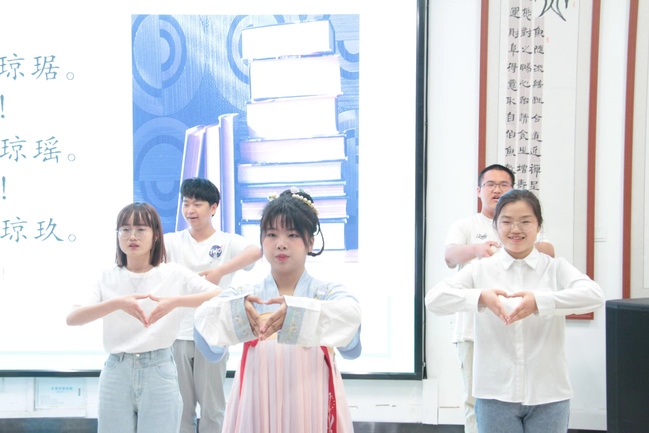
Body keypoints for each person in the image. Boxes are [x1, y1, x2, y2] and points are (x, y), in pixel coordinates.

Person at [427, 189, 604, 433]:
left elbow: (594, 296)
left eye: (525, 222)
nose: (516, 229)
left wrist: (540, 302)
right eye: (507, 222)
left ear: (539, 225)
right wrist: (480, 297)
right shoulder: (480, 269)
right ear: (495, 226)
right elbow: (434, 300)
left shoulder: (555, 268)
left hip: (549, 393)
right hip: (494, 393)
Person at [193, 187, 362, 433]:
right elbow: (207, 337)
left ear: (310, 242)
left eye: (292, 235)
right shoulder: (245, 296)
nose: (281, 244)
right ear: (262, 241)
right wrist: (236, 313)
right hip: (257, 401)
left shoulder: (328, 294)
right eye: (272, 234)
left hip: (311, 400)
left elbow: (351, 336)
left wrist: (298, 314)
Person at [65, 202, 221, 433]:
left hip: (159, 369)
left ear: (156, 234)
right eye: (125, 229)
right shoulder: (106, 277)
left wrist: (174, 302)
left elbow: (218, 294)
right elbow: (73, 318)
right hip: (117, 370)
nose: (132, 236)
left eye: (140, 229)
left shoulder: (172, 272)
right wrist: (118, 303)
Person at [443, 164, 554, 433]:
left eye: (504, 185)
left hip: (519, 326)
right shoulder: (466, 225)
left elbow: (549, 250)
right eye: (490, 184)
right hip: (472, 329)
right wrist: (478, 250)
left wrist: (511, 244)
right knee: (474, 399)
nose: (497, 190)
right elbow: (450, 256)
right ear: (479, 190)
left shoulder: (522, 225)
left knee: (519, 398)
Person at [164, 177, 261, 433]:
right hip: (178, 334)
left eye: (197, 204)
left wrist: (220, 271)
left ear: (214, 207)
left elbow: (256, 252)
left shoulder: (227, 241)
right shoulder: (171, 241)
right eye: (186, 204)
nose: (190, 210)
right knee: (180, 408)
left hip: (213, 335)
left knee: (213, 408)